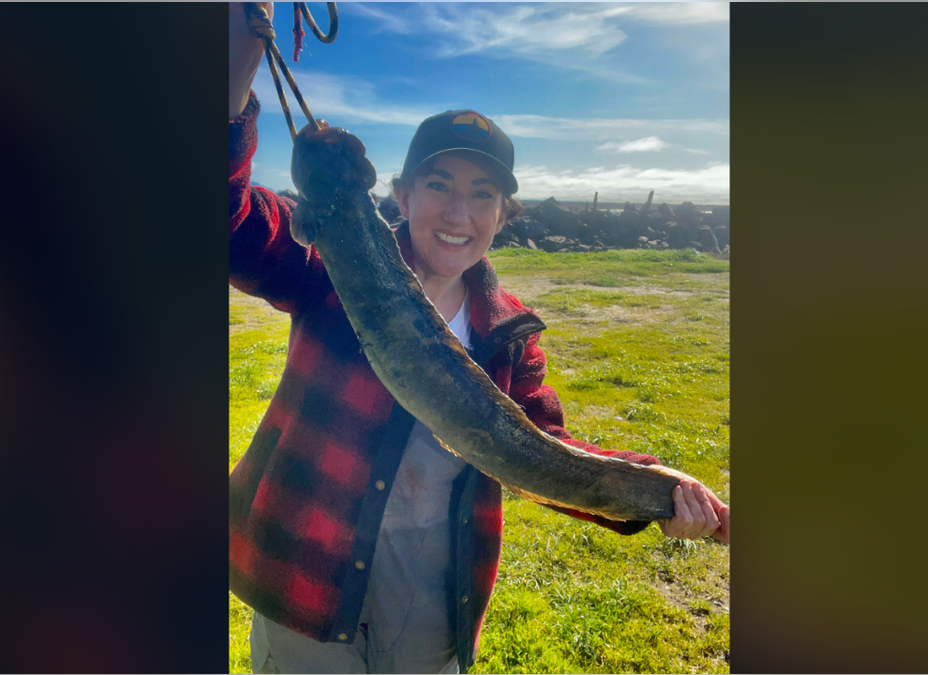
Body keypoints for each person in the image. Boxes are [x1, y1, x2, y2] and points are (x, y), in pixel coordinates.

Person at [228, 4, 729, 673]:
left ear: (504, 214)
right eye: (439, 185)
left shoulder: (509, 335)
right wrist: (237, 53)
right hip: (306, 576)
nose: (458, 212)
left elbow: (547, 455)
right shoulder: (327, 260)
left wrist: (662, 493)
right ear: (402, 195)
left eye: (482, 194)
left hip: (433, 592)